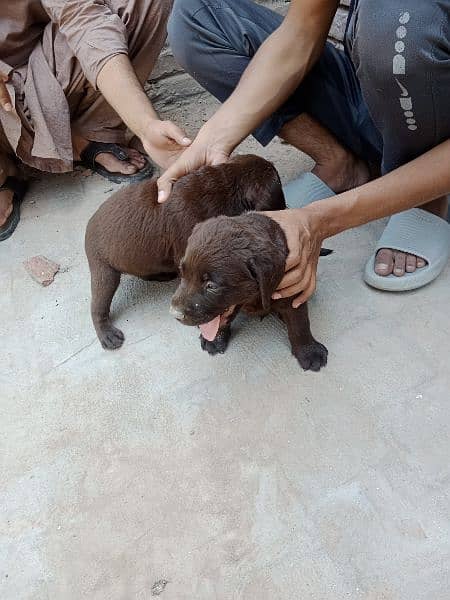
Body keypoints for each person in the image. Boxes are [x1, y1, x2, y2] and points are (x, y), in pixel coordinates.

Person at [158, 0, 450, 301]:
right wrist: (214, 137)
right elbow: (303, 28)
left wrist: (320, 219)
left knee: (401, 23)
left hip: (427, 104)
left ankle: (427, 200)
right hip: (377, 80)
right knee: (197, 16)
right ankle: (339, 163)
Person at [0, 0, 191, 241]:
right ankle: (4, 174)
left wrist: (145, 124)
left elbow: (82, 16)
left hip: (40, 61)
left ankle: (89, 133)